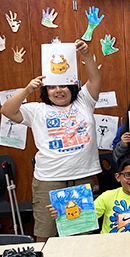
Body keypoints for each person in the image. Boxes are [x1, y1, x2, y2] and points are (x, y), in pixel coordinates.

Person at [1, 40, 102, 240]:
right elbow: (7, 110)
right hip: (49, 179)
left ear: (72, 87)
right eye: (52, 87)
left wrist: (87, 54)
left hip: (82, 176)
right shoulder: (37, 109)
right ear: (45, 91)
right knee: (45, 233)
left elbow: (95, 79)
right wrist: (28, 89)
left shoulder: (84, 100)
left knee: (82, 232)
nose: (58, 90)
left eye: (63, 85)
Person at [48, 152, 130, 233]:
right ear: (118, 177)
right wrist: (61, 214)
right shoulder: (107, 196)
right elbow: (85, 218)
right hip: (108, 247)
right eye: (128, 175)